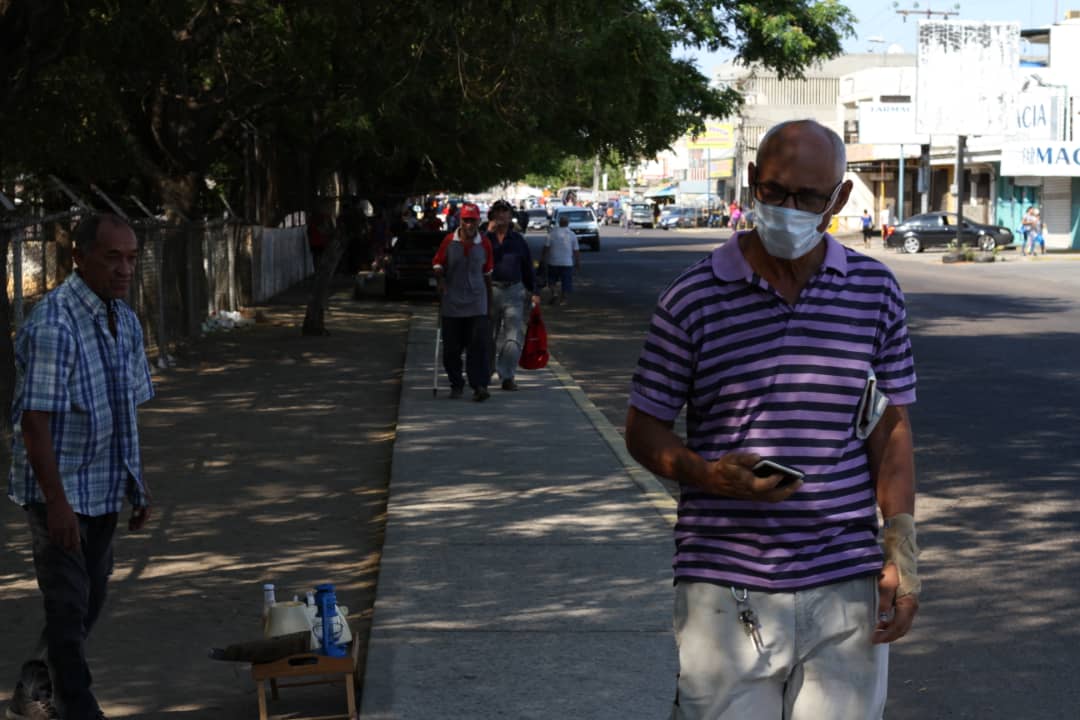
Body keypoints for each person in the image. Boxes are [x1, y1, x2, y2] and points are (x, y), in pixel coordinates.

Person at [625, 119, 919, 720]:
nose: (789, 209)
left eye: (809, 198)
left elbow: (888, 430)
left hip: (845, 579)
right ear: (753, 182)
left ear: (837, 199)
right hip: (724, 583)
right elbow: (643, 427)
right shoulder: (693, 296)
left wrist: (902, 554)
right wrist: (707, 475)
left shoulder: (875, 292)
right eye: (775, 191)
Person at [7, 214, 155, 720]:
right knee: (67, 607)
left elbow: (123, 414)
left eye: (132, 258)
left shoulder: (125, 320)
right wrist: (57, 506)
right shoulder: (54, 324)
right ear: (79, 257)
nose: (124, 269)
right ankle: (78, 707)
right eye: (112, 257)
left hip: (104, 488)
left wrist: (138, 485)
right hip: (60, 491)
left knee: (86, 603)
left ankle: (32, 694)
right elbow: (34, 423)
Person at [432, 202, 494, 401]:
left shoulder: (484, 243)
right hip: (452, 302)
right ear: (460, 221)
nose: (469, 225)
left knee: (477, 346)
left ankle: (479, 386)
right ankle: (456, 384)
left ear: (478, 221)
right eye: (466, 220)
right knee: (452, 348)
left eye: (472, 221)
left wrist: (489, 304)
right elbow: (437, 263)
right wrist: (440, 277)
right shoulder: (449, 241)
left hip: (477, 302)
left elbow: (488, 274)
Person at [486, 200, 539, 391]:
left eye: (505, 212)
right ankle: (486, 372)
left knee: (513, 336)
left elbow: (527, 267)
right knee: (487, 336)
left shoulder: (518, 240)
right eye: (498, 212)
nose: (502, 216)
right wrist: (488, 234)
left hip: (514, 290)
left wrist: (534, 290)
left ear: (510, 216)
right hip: (490, 290)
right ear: (492, 216)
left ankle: (507, 375)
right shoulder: (485, 239)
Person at [541, 214, 580, 305]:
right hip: (567, 263)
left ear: (559, 223)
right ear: (568, 223)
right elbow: (576, 250)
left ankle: (554, 293)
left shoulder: (552, 233)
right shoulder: (572, 234)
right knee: (566, 282)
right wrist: (577, 262)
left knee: (551, 280)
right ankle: (563, 300)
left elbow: (546, 247)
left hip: (553, 261)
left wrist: (543, 258)